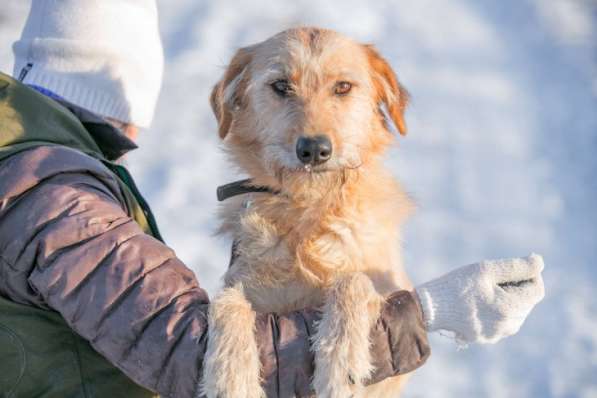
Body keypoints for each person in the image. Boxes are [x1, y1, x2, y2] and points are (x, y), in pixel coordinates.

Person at [0, 1, 545, 397]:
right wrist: (430, 310)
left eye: (342, 89)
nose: (314, 130)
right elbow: (186, 352)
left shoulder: (44, 167)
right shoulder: (55, 195)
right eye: (281, 89)